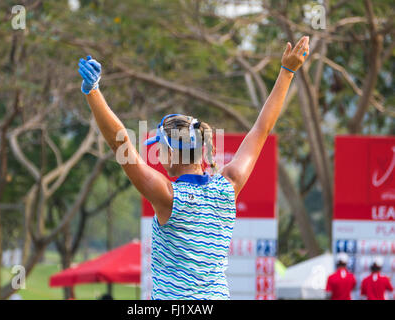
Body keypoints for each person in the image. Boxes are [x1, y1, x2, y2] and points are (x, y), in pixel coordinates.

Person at [77, 36, 310, 300]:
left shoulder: (168, 196)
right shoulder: (228, 185)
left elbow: (119, 142)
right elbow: (261, 129)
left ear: (174, 153)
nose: (160, 156)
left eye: (162, 149)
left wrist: (93, 91)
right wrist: (287, 72)